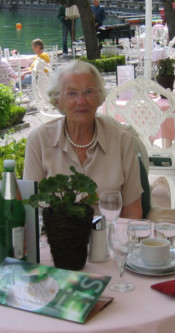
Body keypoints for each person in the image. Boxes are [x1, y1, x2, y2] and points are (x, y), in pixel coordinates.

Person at [23, 60, 142, 219]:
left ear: (99, 97)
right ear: (58, 100)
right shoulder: (39, 141)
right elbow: (29, 210)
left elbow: (133, 211)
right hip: (56, 239)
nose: (81, 101)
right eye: (72, 93)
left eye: (88, 92)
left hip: (109, 238)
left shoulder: (122, 142)